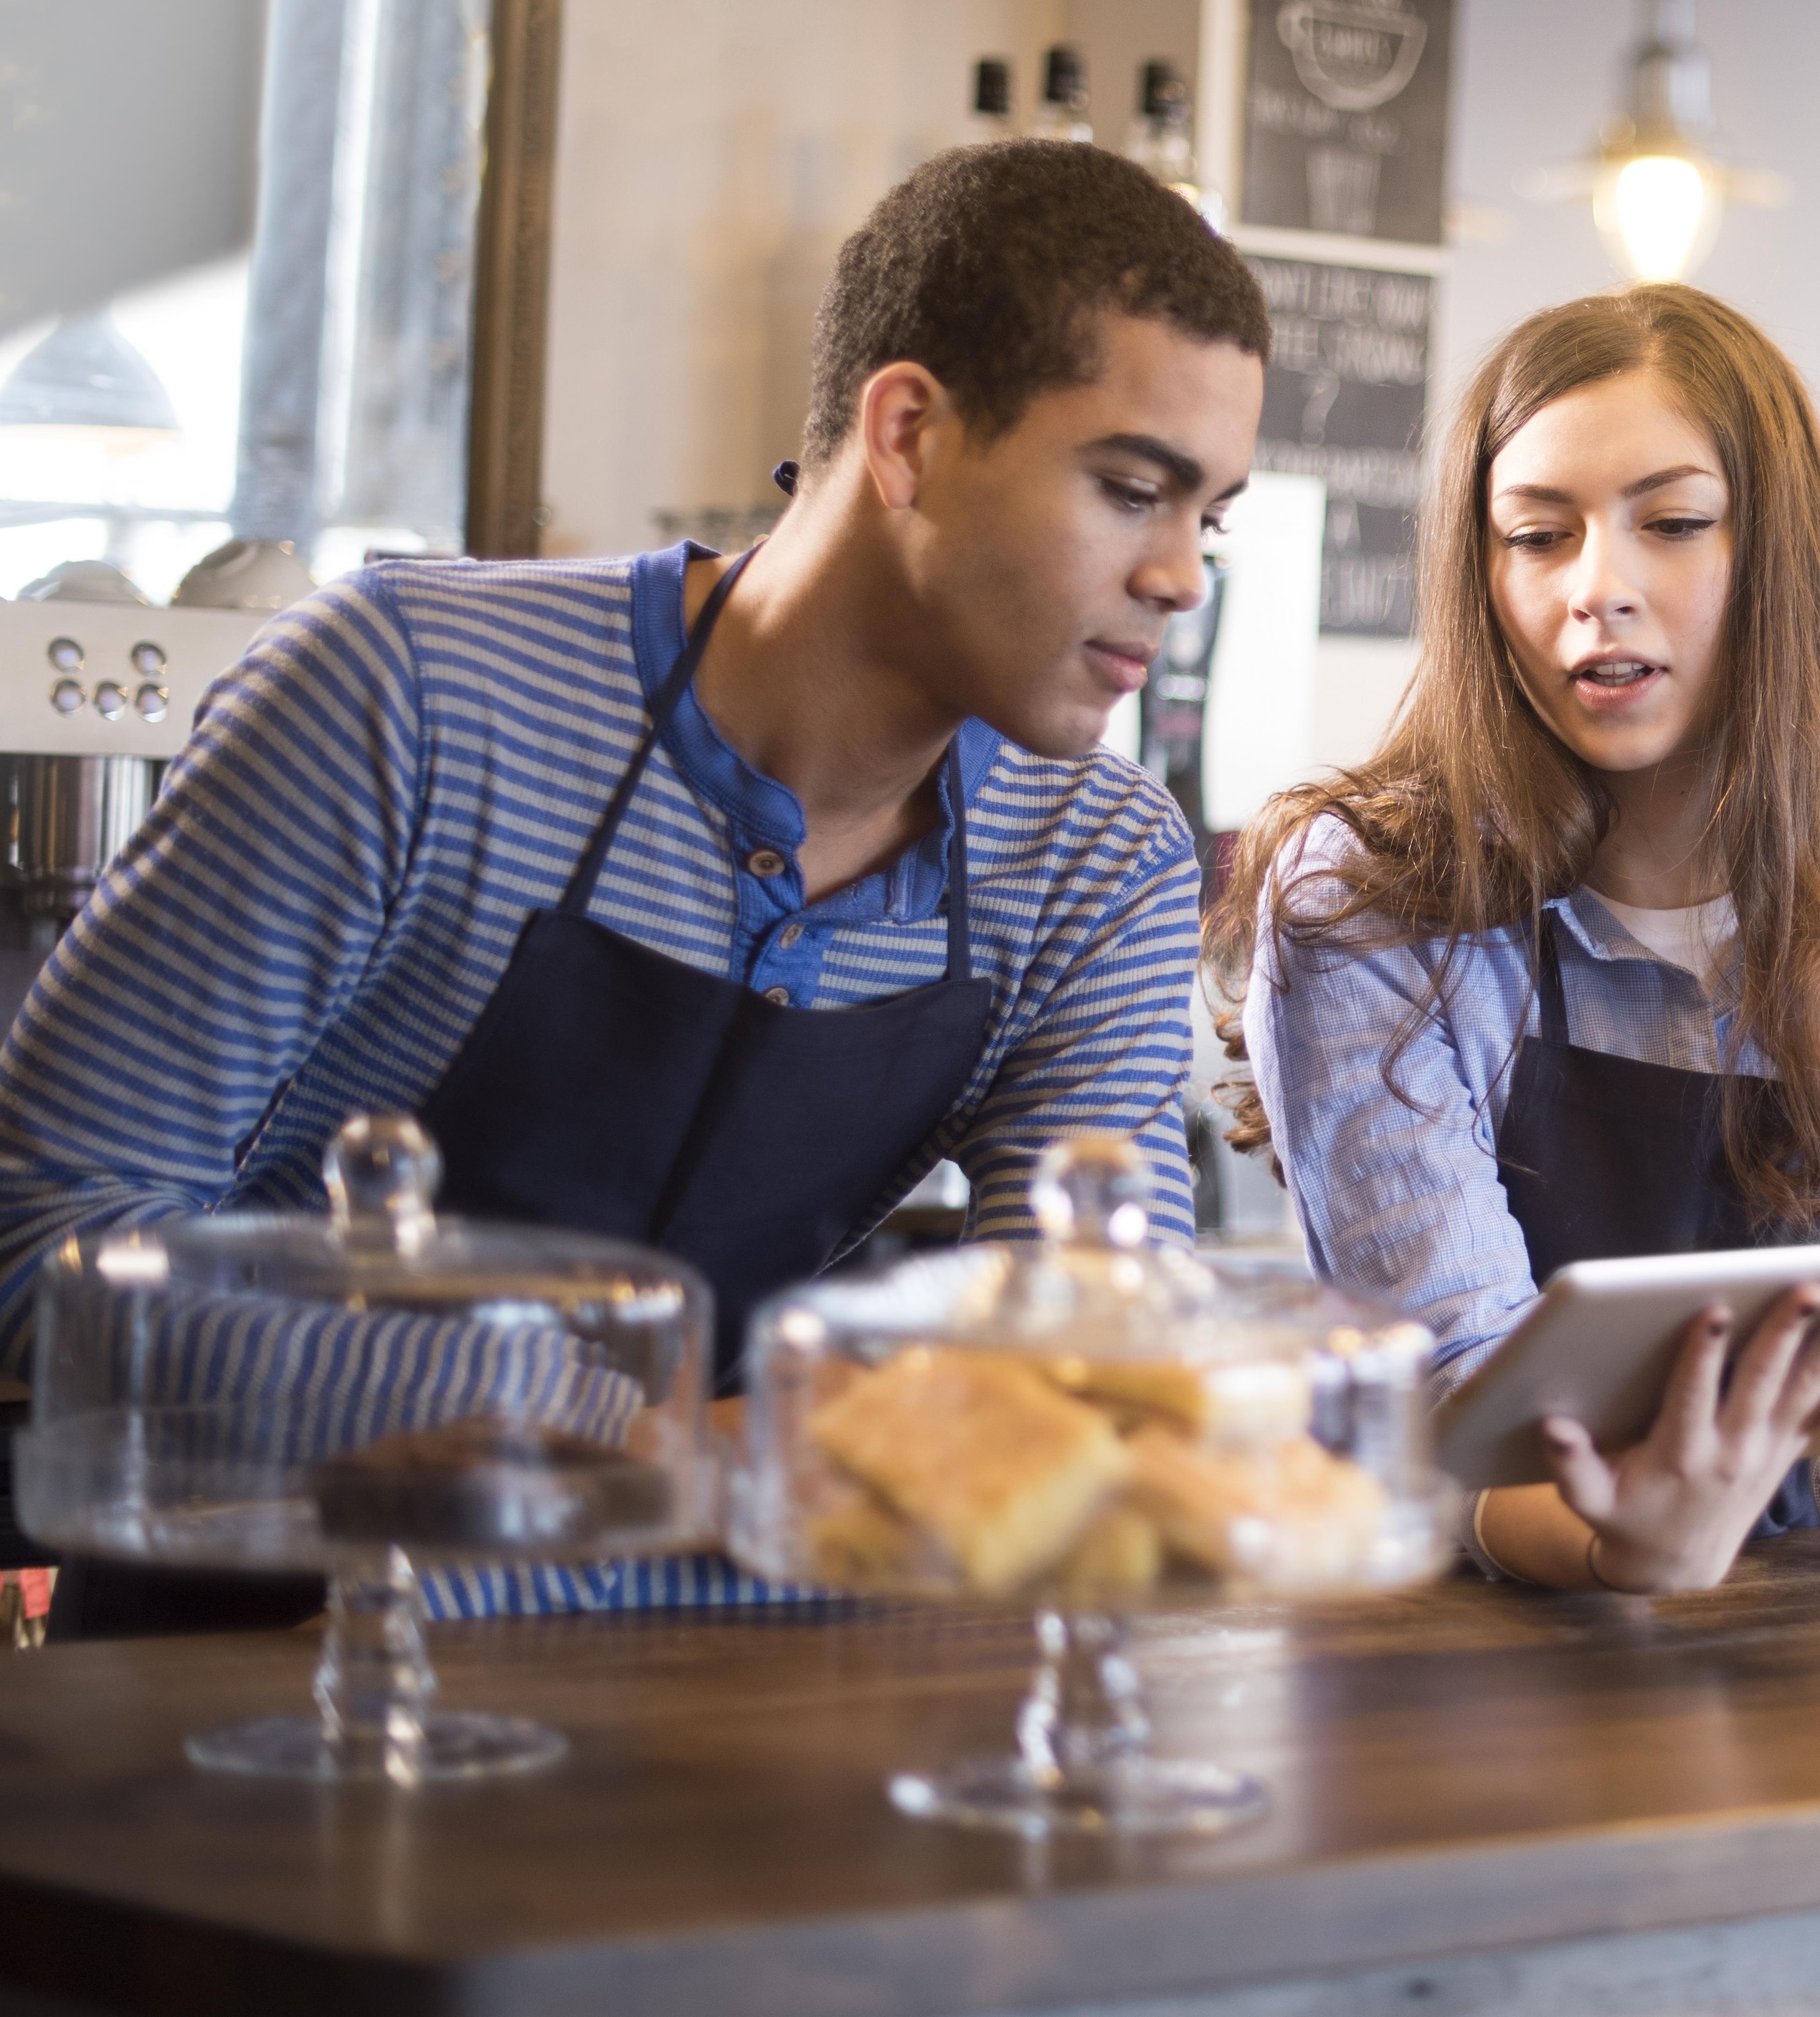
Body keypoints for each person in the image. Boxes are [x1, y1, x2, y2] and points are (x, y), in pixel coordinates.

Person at [0, 141, 1265, 1628]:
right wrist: (653, 1440)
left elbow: (1086, 1355)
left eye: (1213, 518)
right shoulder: (410, 690)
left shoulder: (1095, 860)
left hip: (731, 1690)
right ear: (910, 434)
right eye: (1133, 490)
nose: (1183, 576)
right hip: (249, 1667)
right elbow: (47, 1238)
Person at [1214, 285, 1820, 1596]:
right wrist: (1621, 1545)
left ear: (1777, 556)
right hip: (1451, 1647)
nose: (1599, 589)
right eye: (1537, 535)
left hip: (1800, 1664)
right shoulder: (1369, 896)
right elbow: (1445, 1410)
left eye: (1675, 523)